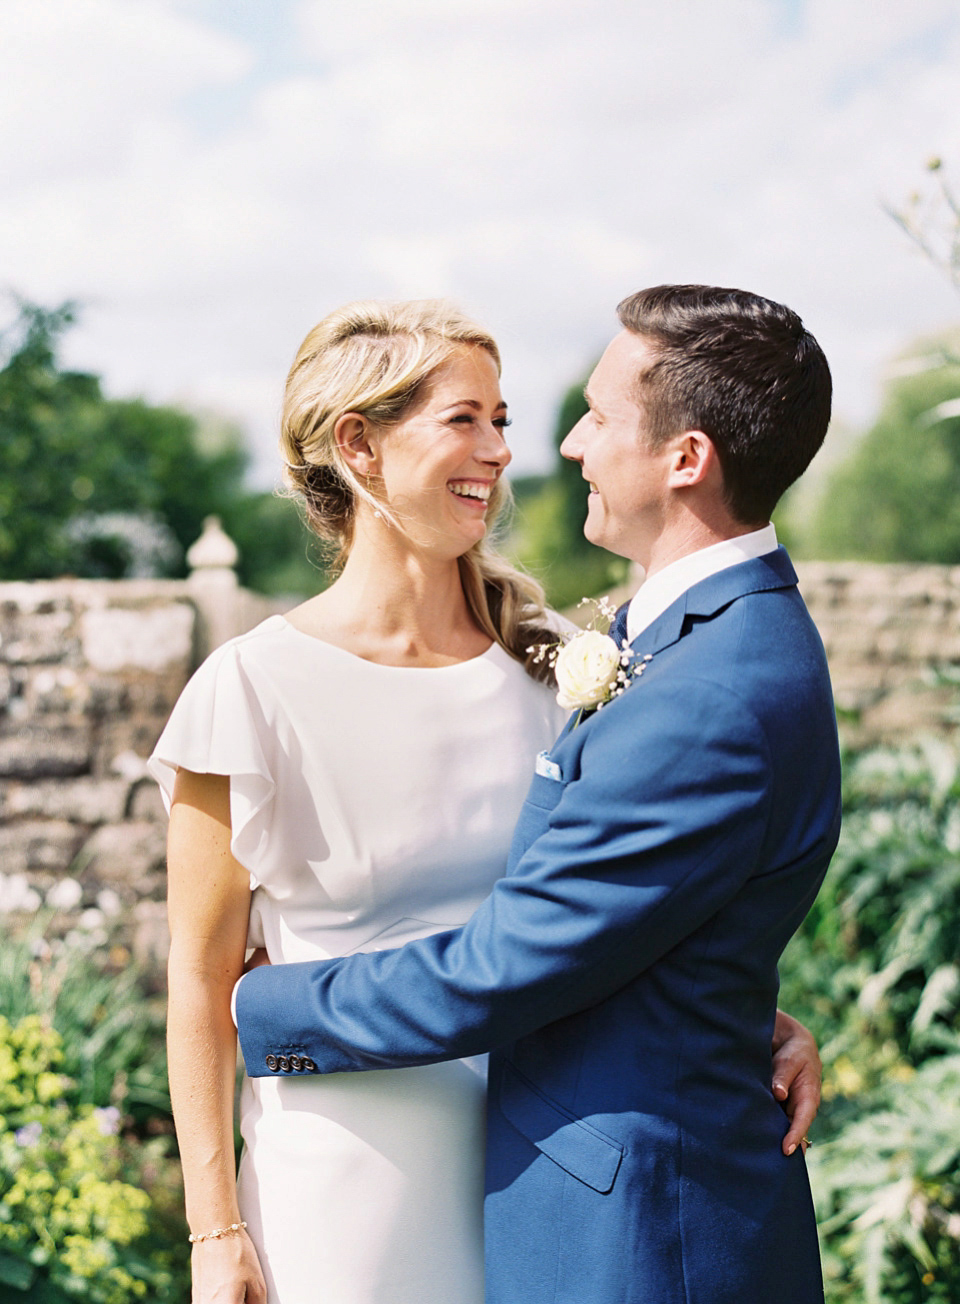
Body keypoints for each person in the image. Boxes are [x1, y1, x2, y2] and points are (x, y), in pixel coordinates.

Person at [152, 296, 822, 1304]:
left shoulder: (559, 659)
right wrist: (215, 1230)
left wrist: (741, 1012)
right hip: (346, 1181)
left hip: (543, 1173)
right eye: (465, 418)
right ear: (358, 444)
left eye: (501, 419)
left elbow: (615, 890)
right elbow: (201, 981)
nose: (505, 449)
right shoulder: (246, 691)